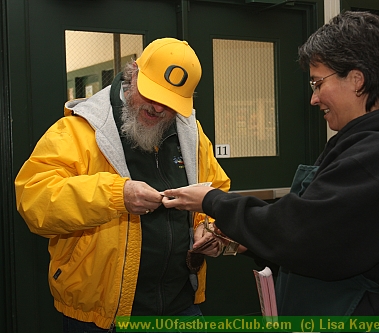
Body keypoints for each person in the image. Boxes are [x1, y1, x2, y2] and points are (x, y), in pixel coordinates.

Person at [162, 11, 379, 333]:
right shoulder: (357, 146)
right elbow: (328, 238)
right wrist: (241, 242)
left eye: (317, 82)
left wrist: (213, 201)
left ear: (357, 79)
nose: (313, 98)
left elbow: (301, 232)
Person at [15, 37, 230, 332]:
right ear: (133, 75)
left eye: (169, 103)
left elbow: (215, 188)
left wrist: (207, 226)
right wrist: (116, 195)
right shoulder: (77, 130)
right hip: (102, 318)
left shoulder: (190, 134)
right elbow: (35, 200)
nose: (157, 108)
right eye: (151, 94)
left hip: (182, 307)